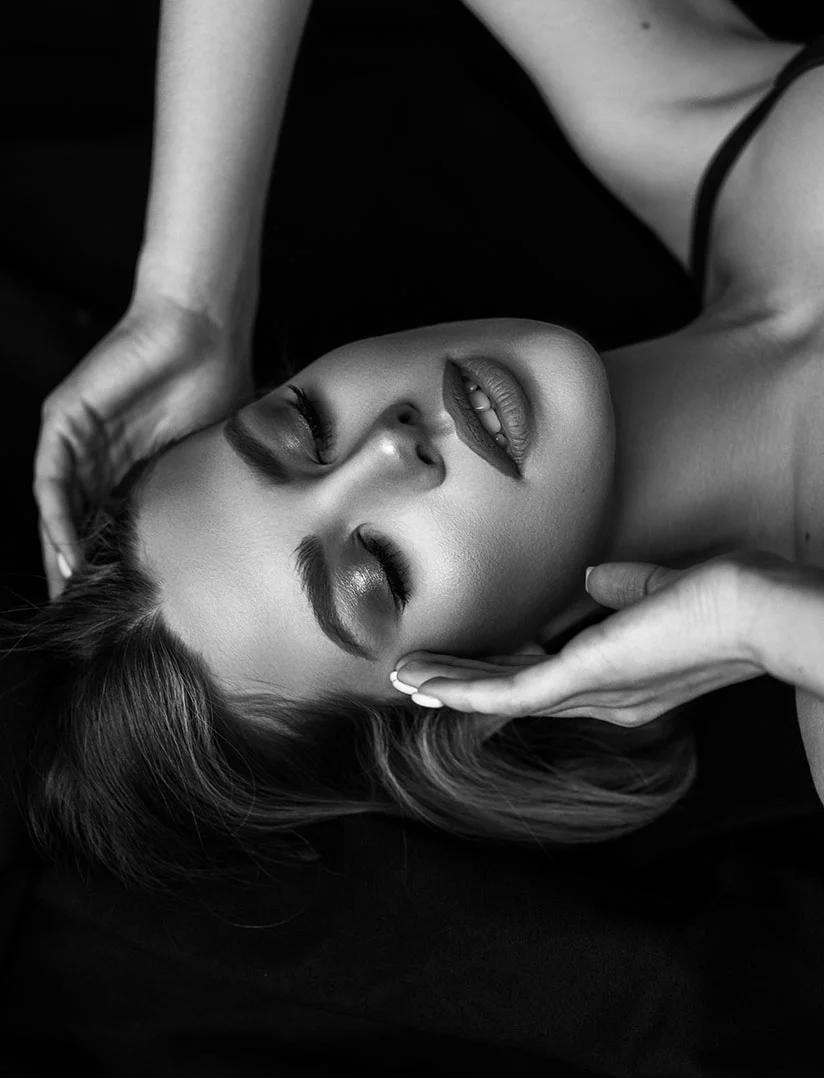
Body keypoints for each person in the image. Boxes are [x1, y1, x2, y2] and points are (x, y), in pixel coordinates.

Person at [21, 0, 824, 893]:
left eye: (305, 427)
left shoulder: (688, 110)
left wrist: (190, 301)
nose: (389, 449)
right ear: (481, 679)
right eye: (373, 571)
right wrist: (762, 622)